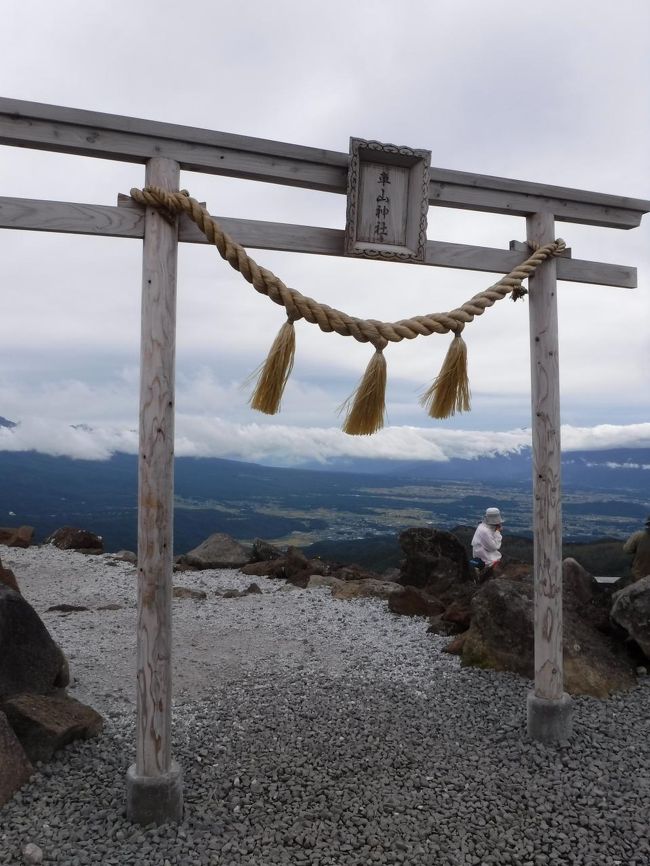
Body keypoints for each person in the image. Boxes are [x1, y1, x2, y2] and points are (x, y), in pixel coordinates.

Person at [471, 507, 504, 580]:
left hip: (478, 554)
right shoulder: (485, 531)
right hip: (485, 557)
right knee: (499, 560)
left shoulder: (482, 526)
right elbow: (494, 547)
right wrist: (498, 532)